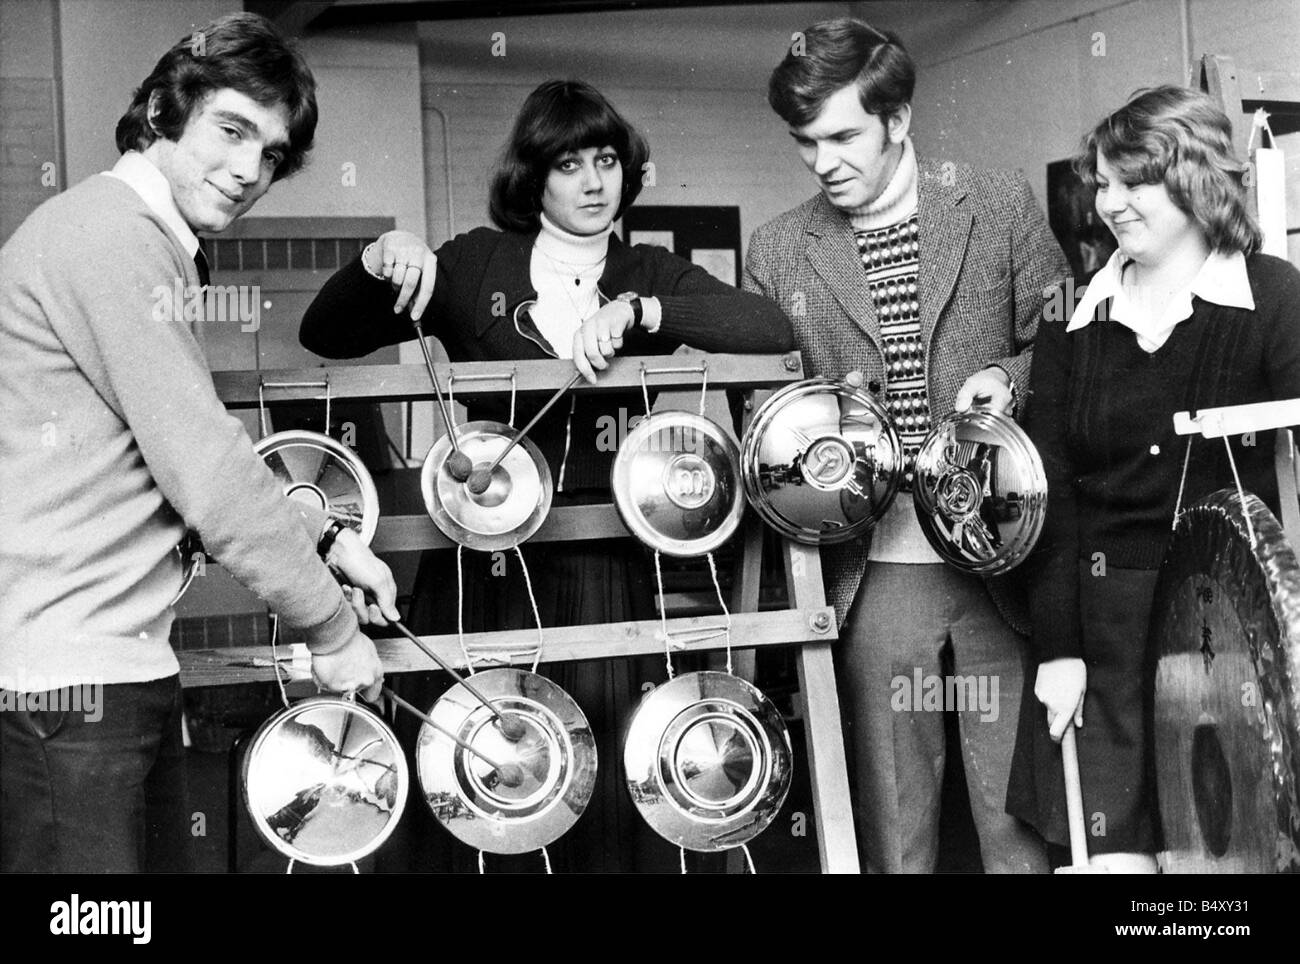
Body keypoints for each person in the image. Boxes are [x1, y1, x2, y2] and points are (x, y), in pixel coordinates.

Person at [299, 79, 793, 872]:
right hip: (478, 562)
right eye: (570, 164)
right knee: (482, 765)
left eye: (607, 161)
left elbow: (768, 328)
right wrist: (376, 258)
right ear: (534, 178)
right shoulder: (470, 265)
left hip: (603, 558)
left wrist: (643, 313)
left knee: (590, 767)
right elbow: (324, 332)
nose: (595, 183)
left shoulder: (646, 270)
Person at [0, 13, 398, 874]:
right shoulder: (108, 237)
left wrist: (325, 541)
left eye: (272, 154)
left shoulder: (143, 242)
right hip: (67, 684)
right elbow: (208, 472)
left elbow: (158, 461)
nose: (250, 171)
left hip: (111, 671)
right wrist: (330, 630)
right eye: (232, 129)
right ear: (160, 111)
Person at [743, 17, 1068, 873]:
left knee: (1018, 827)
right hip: (875, 573)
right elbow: (760, 416)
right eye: (804, 142)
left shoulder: (996, 205)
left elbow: (1068, 343)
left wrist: (1010, 375)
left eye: (844, 135)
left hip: (1004, 567)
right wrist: (816, 422)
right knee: (895, 827)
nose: (823, 162)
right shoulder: (778, 250)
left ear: (898, 119)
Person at [1007, 85, 1300, 873]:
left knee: (1227, 867)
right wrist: (1059, 650)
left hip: (1233, 635)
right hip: (1100, 631)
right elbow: (1049, 496)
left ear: (1196, 179)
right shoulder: (1070, 315)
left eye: (1133, 182)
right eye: (1102, 184)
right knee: (1113, 867)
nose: (1110, 203)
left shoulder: (1273, 296)